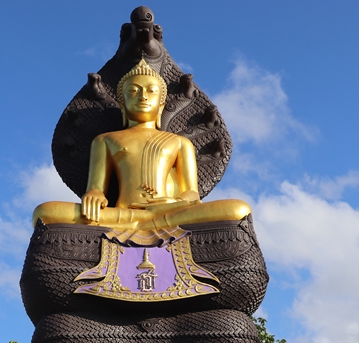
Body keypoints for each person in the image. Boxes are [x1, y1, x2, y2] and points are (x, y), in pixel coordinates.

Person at [31, 59, 251, 236]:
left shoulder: (179, 142)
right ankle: (144, 223)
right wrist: (94, 194)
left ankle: (146, 223)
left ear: (161, 104)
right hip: (122, 214)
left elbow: (192, 194)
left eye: (151, 91)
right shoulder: (105, 140)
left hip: (169, 212)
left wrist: (172, 203)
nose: (143, 96)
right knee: (44, 212)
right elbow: (96, 188)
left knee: (238, 209)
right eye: (134, 91)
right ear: (123, 104)